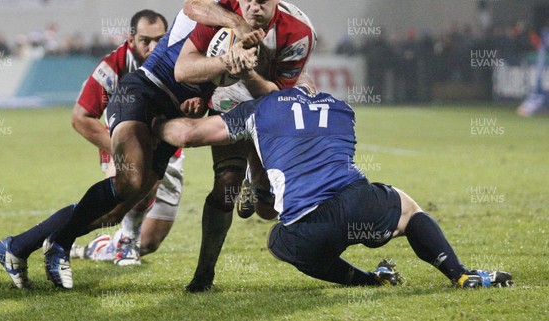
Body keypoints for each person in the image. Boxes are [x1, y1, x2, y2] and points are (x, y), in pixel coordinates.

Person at [0, 0, 257, 289]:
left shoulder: (246, 41)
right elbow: (193, 5)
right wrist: (235, 23)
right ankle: (61, 244)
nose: (253, 7)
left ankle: (18, 246)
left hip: (169, 122)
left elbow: (205, 95)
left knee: (118, 212)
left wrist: (195, 109)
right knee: (128, 179)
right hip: (141, 94)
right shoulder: (212, 8)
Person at [151, 82, 514, 289]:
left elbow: (190, 134)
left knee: (278, 242)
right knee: (409, 210)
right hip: (357, 200)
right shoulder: (341, 109)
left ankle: (369, 282)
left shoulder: (262, 108)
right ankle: (460, 274)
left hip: (308, 226)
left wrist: (154, 125)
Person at [176, 0, 316, 292]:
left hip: (270, 105)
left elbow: (274, 97)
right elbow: (183, 67)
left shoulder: (298, 32)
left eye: (263, 0)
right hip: (228, 105)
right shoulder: (223, 10)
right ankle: (203, 275)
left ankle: (258, 180)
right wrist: (225, 61)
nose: (253, 7)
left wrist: (246, 72)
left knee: (268, 210)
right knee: (226, 184)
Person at [70, 9, 184, 265]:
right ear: (131, 39)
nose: (153, 47)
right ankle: (123, 240)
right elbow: (81, 117)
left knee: (151, 242)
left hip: (169, 153)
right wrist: (126, 149)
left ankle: (102, 246)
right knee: (133, 179)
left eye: (159, 40)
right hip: (121, 146)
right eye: (146, 40)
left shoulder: (178, 61)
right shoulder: (114, 65)